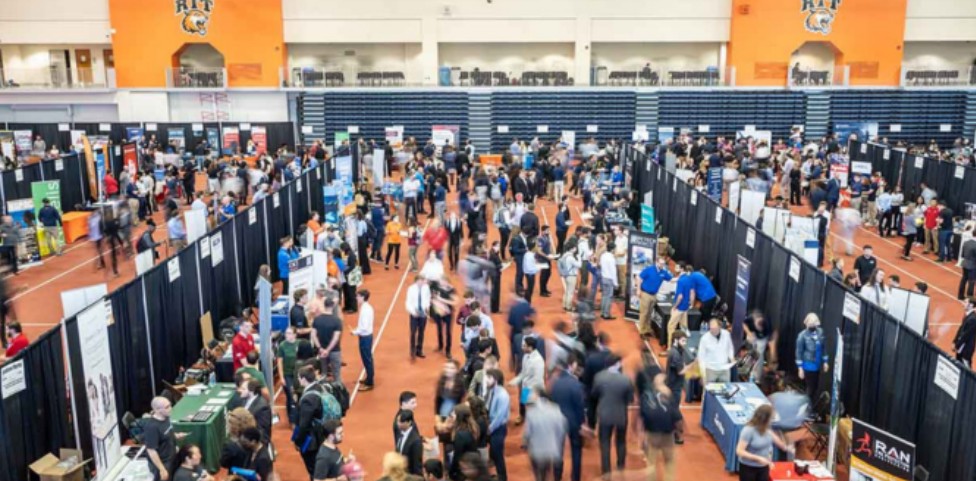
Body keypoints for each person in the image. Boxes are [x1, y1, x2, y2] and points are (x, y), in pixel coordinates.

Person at [592, 353, 633, 478]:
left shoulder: (599, 377)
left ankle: (606, 472)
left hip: (604, 415)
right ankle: (620, 467)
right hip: (621, 415)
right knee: (621, 442)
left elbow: (594, 394)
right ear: (618, 363)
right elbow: (629, 399)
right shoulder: (626, 379)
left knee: (605, 443)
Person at [637, 371, 681, 481]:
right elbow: (677, 417)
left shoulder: (646, 396)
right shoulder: (669, 396)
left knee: (651, 462)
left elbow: (641, 417)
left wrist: (641, 435)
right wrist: (679, 432)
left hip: (651, 434)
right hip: (667, 435)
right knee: (669, 462)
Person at [549, 354, 585, 481]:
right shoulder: (576, 384)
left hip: (557, 421)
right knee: (576, 450)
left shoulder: (555, 384)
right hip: (573, 423)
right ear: (572, 365)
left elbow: (551, 402)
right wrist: (582, 424)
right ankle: (575, 477)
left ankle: (557, 476)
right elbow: (580, 407)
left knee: (558, 450)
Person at [736, 405, 794, 481]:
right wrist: (758, 458)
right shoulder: (748, 430)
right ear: (764, 419)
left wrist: (786, 447)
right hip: (748, 467)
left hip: (764, 466)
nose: (772, 421)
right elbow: (739, 451)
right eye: (771, 418)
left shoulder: (767, 428)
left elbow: (777, 440)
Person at [522, 389, 567, 481]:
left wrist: (525, 443)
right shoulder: (556, 409)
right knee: (546, 471)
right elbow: (562, 429)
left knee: (539, 474)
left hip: (536, 451)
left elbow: (527, 433)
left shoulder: (531, 413)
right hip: (551, 449)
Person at [145, 396, 186, 481]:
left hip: (172, 457)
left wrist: (176, 435)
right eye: (167, 407)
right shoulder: (152, 427)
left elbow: (168, 432)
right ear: (157, 410)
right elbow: (151, 450)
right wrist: (162, 469)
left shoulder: (166, 417)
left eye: (170, 405)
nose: (170, 408)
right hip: (163, 463)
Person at [795, 313, 829, 402]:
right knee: (810, 387)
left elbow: (823, 347)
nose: (812, 325)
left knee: (815, 387)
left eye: (814, 324)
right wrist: (800, 368)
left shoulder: (820, 332)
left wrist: (825, 361)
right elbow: (799, 352)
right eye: (810, 324)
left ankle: (809, 405)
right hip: (808, 365)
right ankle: (806, 406)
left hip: (817, 364)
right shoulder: (802, 336)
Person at [484, 369, 510, 481]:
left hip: (498, 428)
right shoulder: (491, 390)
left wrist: (490, 428)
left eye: (489, 378)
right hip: (491, 425)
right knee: (493, 452)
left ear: (495, 380)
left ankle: (502, 478)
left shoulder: (503, 395)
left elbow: (500, 416)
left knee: (498, 455)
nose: (486, 380)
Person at [638, 257, 672, 338]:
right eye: (660, 263)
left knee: (649, 313)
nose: (662, 265)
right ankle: (642, 331)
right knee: (644, 313)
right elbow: (639, 278)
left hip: (654, 295)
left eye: (663, 264)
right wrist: (638, 290)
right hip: (646, 293)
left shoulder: (663, 272)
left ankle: (647, 329)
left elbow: (670, 279)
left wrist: (681, 278)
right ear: (656, 262)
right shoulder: (649, 269)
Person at [312, 298, 343, 385]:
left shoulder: (317, 319)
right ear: (333, 306)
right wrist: (328, 350)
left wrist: (320, 348)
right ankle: (338, 393)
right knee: (336, 375)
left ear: (324, 306)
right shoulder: (337, 320)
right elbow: (335, 338)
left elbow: (314, 335)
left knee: (323, 373)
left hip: (321, 351)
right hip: (335, 351)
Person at [350, 289, 375, 391]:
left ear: (363, 297)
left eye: (358, 296)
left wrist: (354, 332)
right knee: (367, 358)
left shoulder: (365, 310)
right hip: (366, 336)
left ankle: (370, 382)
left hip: (365, 337)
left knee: (367, 359)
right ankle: (368, 378)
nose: (356, 298)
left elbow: (364, 327)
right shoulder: (366, 308)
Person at [698, 319, 735, 383]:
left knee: (726, 390)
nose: (712, 330)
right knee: (709, 391)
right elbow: (701, 357)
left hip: (724, 368)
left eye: (715, 328)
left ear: (720, 327)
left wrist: (731, 357)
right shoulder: (704, 338)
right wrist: (702, 374)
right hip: (710, 369)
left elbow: (730, 348)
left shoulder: (726, 334)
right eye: (711, 328)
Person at [238, 378, 272, 444]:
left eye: (243, 389)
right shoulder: (244, 400)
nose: (239, 390)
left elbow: (263, 435)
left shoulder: (262, 408)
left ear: (251, 391)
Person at [743, 311, 773, 382]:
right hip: (752, 335)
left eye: (760, 328)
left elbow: (770, 338)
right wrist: (749, 332)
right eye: (757, 326)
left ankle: (757, 377)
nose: (758, 328)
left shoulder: (767, 326)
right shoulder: (751, 319)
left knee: (759, 354)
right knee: (752, 352)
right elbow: (743, 324)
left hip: (762, 337)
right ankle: (747, 368)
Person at [406, 276, 431, 359]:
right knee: (413, 332)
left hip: (423, 314)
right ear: (416, 281)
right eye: (421, 281)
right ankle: (412, 351)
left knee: (421, 332)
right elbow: (408, 302)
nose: (422, 283)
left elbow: (428, 298)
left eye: (423, 281)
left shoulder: (426, 288)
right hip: (414, 314)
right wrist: (413, 312)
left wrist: (427, 307)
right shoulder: (411, 289)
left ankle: (419, 350)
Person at [953, 298, 976, 367]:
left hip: (966, 349)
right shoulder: (968, 316)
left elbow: (965, 335)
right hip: (961, 347)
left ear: (971, 305)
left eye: (965, 302)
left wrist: (957, 345)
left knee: (966, 369)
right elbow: (960, 329)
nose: (963, 304)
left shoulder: (972, 319)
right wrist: (954, 341)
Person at [598, 241, 618, 319]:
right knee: (609, 297)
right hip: (609, 279)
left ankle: (602, 312)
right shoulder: (611, 259)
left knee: (604, 296)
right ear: (612, 250)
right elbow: (613, 272)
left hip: (603, 278)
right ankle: (606, 314)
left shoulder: (603, 256)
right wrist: (615, 283)